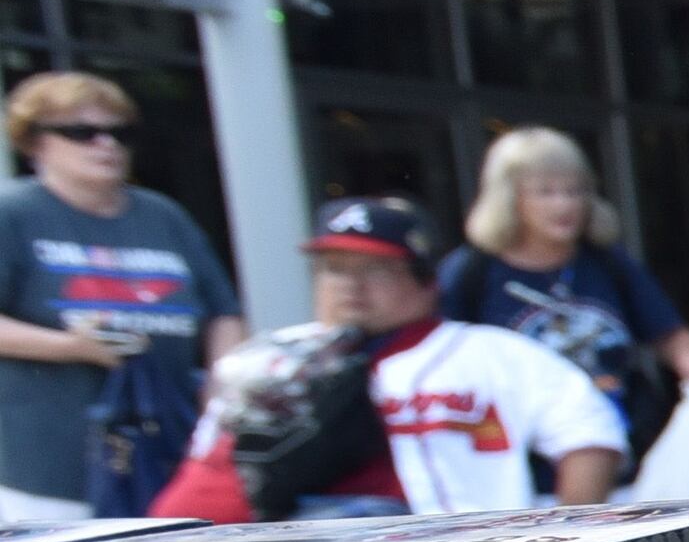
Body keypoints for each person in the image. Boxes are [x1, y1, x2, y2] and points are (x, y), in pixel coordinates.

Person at [163, 195, 622, 518]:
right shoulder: (267, 363)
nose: (348, 285)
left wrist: (563, 541)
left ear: (426, 281)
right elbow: (204, 488)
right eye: (334, 270)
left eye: (375, 269)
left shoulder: (492, 352)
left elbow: (590, 435)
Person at [0, 71, 241, 524]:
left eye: (119, 133)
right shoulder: (13, 213)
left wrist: (222, 381)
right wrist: (69, 348)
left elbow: (223, 313)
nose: (105, 145)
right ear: (35, 143)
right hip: (49, 463)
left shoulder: (163, 215)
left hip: (168, 448)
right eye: (81, 133)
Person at [438, 126, 689, 446]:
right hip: (524, 465)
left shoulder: (608, 263)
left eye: (575, 191)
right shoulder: (470, 273)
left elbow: (668, 332)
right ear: (509, 198)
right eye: (546, 192)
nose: (564, 205)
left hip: (626, 447)